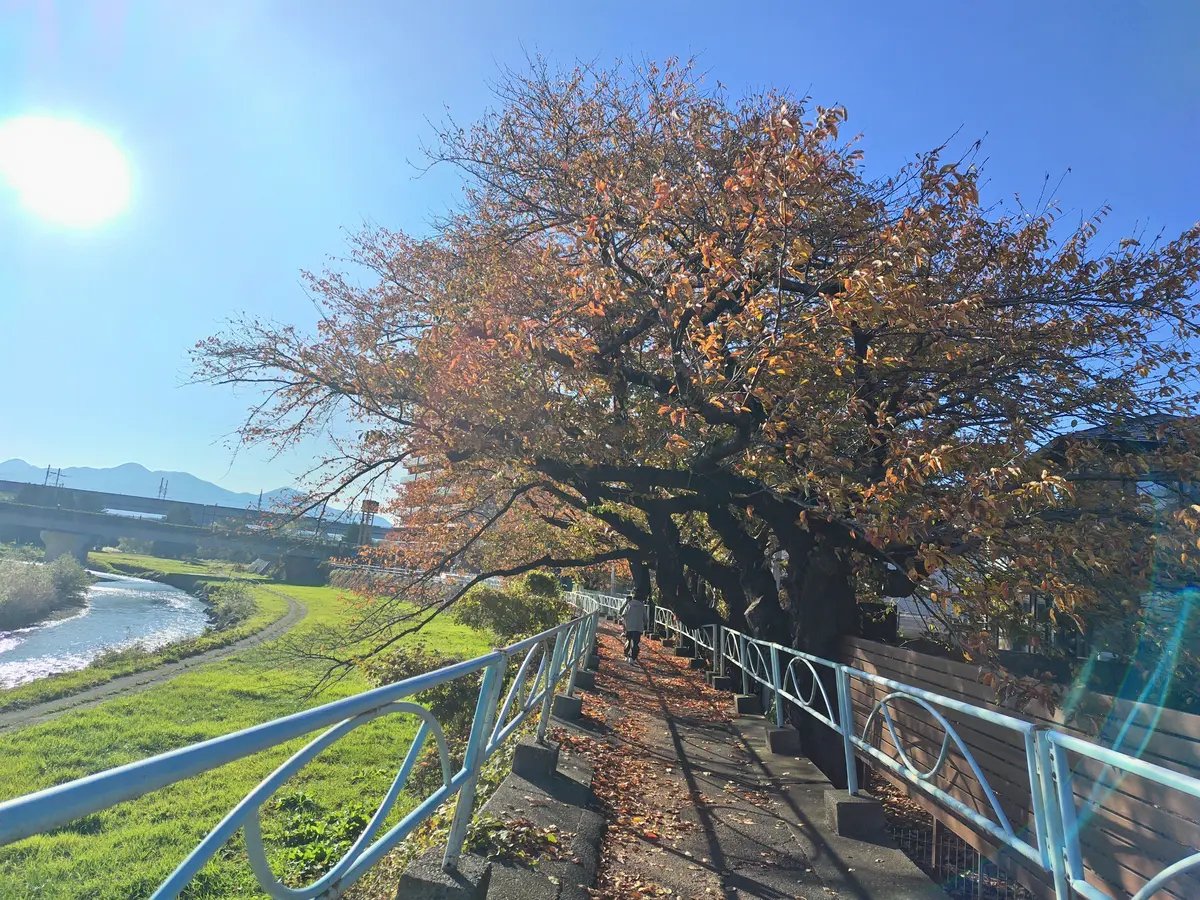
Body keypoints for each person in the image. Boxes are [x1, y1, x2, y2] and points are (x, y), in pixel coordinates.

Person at [620, 593, 646, 662]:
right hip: (638, 627)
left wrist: (624, 624)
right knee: (635, 643)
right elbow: (645, 618)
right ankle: (632, 658)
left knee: (628, 640)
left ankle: (626, 655)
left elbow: (623, 614)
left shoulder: (629, 604)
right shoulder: (642, 605)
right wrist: (645, 623)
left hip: (629, 626)